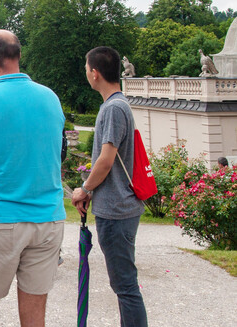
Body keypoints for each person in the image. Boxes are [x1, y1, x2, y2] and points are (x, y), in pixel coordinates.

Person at [0, 30, 65, 327]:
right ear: (18, 55)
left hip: (2, 220)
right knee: (34, 315)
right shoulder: (50, 97)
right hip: (48, 220)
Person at [72, 46, 148, 327]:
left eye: (86, 68)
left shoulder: (114, 108)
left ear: (95, 73)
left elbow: (106, 160)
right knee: (124, 285)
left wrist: (85, 189)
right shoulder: (116, 105)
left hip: (117, 210)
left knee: (125, 286)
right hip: (117, 207)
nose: (86, 73)